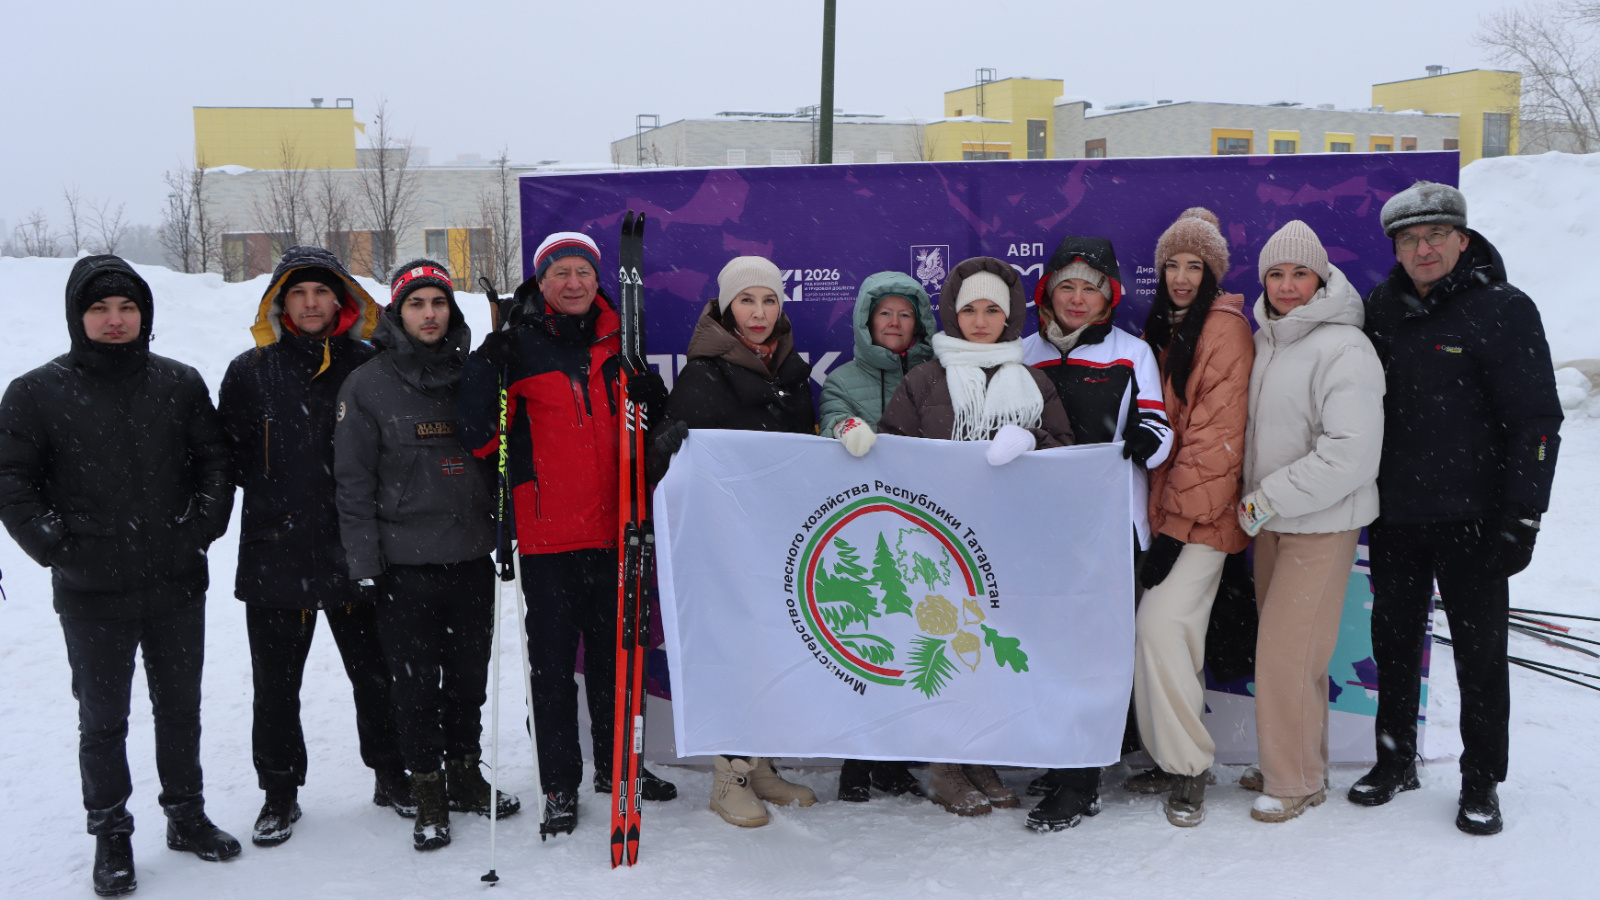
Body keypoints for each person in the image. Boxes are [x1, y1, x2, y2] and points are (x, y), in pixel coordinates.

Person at [0, 256, 240, 896]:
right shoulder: (36, 392)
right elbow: (13, 481)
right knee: (103, 720)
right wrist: (57, 547)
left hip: (176, 581)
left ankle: (186, 815)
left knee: (180, 708)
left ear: (144, 314)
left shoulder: (178, 383)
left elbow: (215, 462)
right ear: (77, 316)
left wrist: (200, 528)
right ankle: (111, 832)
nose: (115, 320)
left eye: (127, 307)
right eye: (100, 308)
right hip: (91, 590)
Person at [1352, 181, 1561, 836]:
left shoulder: (1504, 309)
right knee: (1393, 646)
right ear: (1395, 248)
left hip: (1476, 519)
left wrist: (1523, 514)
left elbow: (1537, 421)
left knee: (1479, 655)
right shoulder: (1380, 309)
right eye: (1410, 239)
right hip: (1396, 515)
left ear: (1462, 240)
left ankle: (1480, 780)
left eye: (1436, 235)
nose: (1424, 249)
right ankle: (1395, 761)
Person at [457, 232, 677, 838]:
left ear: (597, 278)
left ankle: (616, 766)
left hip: (618, 531)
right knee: (552, 670)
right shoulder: (517, 347)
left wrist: (656, 405)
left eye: (582, 271)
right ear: (543, 281)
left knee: (616, 662)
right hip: (548, 536)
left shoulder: (622, 341)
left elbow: (645, 436)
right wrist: (485, 368)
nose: (573, 283)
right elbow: (481, 438)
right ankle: (559, 783)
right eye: (561, 273)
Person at [218, 247, 411, 847]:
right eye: (297, 293)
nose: (309, 303)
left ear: (341, 300)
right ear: (279, 303)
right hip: (276, 555)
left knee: (376, 675)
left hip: (357, 550)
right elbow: (228, 458)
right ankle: (279, 792)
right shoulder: (250, 371)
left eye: (321, 292)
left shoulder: (369, 364)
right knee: (275, 687)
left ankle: (391, 773)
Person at [334, 260, 520, 851]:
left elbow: (502, 457)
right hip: (404, 565)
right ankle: (428, 791)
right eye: (416, 304)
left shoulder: (474, 374)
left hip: (469, 557)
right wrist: (364, 563)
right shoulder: (367, 385)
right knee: (414, 687)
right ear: (398, 313)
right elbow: (352, 484)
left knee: (468, 679)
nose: (430, 314)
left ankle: (465, 774)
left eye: (438, 302)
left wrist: (505, 530)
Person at [878, 256, 1074, 817]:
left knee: (988, 651)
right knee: (943, 647)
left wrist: (1033, 440)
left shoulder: (1033, 381)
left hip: (1010, 543)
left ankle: (982, 755)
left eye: (992, 310)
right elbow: (893, 451)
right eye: (970, 310)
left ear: (1009, 317)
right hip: (936, 543)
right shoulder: (924, 380)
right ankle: (946, 765)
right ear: (953, 315)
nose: (981, 321)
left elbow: (1067, 453)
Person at [651, 255, 820, 827]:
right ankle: (728, 776)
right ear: (727, 308)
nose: (759, 311)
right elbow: (670, 465)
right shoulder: (704, 374)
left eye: (769, 300)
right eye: (747, 300)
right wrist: (667, 445)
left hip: (779, 540)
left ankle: (760, 763)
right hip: (723, 547)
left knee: (772, 649)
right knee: (733, 654)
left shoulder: (791, 373)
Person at [1017, 236, 1174, 833]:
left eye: (1090, 288)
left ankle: (1080, 782)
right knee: (1046, 649)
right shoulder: (1022, 352)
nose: (1078, 298)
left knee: (1092, 652)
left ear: (1109, 297)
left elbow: (1160, 432)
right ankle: (1063, 759)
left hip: (1109, 527)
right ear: (1047, 293)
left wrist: (1145, 441)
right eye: (1067, 286)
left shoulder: (1132, 352)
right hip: (1039, 528)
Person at [1234, 221, 1384, 823]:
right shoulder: (1268, 339)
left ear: (1321, 278)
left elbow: (1352, 453)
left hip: (1319, 525)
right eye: (1276, 273)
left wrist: (1267, 497)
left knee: (1286, 657)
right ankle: (1297, 762)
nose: (1287, 285)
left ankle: (1293, 780)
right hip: (1272, 521)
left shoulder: (1345, 347)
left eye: (1300, 273)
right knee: (1294, 658)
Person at [1124, 208, 1253, 827]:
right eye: (1171, 265)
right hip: (1171, 512)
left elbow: (1214, 445)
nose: (1180, 277)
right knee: (1176, 638)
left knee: (1159, 626)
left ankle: (1189, 766)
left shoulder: (1223, 330)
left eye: (1193, 266)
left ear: (1212, 272)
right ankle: (1169, 755)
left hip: (1203, 519)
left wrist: (1175, 531)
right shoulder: (1171, 328)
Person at [816, 271, 939, 802]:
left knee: (915, 644)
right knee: (868, 644)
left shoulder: (937, 373)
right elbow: (831, 416)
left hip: (926, 530)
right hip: (867, 529)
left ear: (919, 323)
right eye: (884, 313)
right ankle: (856, 764)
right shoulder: (845, 378)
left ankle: (894, 762)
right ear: (868, 322)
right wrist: (844, 428)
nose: (894, 322)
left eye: (905, 314)